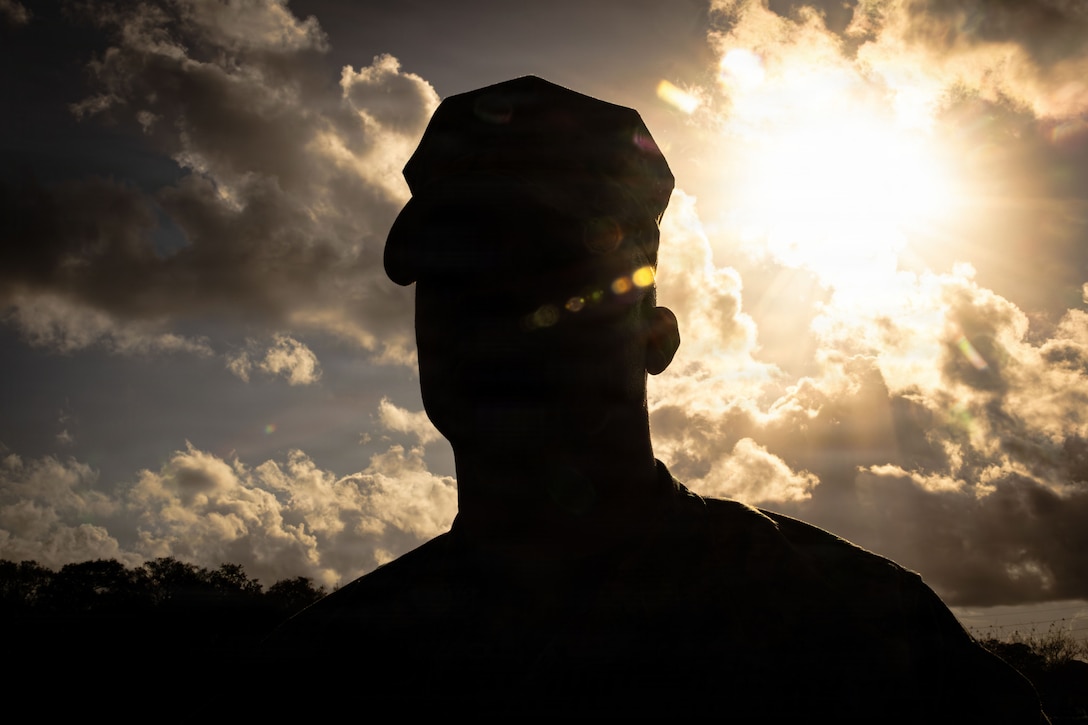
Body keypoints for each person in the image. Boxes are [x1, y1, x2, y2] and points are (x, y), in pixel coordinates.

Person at [262, 76, 1046, 721]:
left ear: (656, 335)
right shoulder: (317, 675)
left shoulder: (865, 629)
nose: (501, 317)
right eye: (456, 277)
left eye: (553, 275)